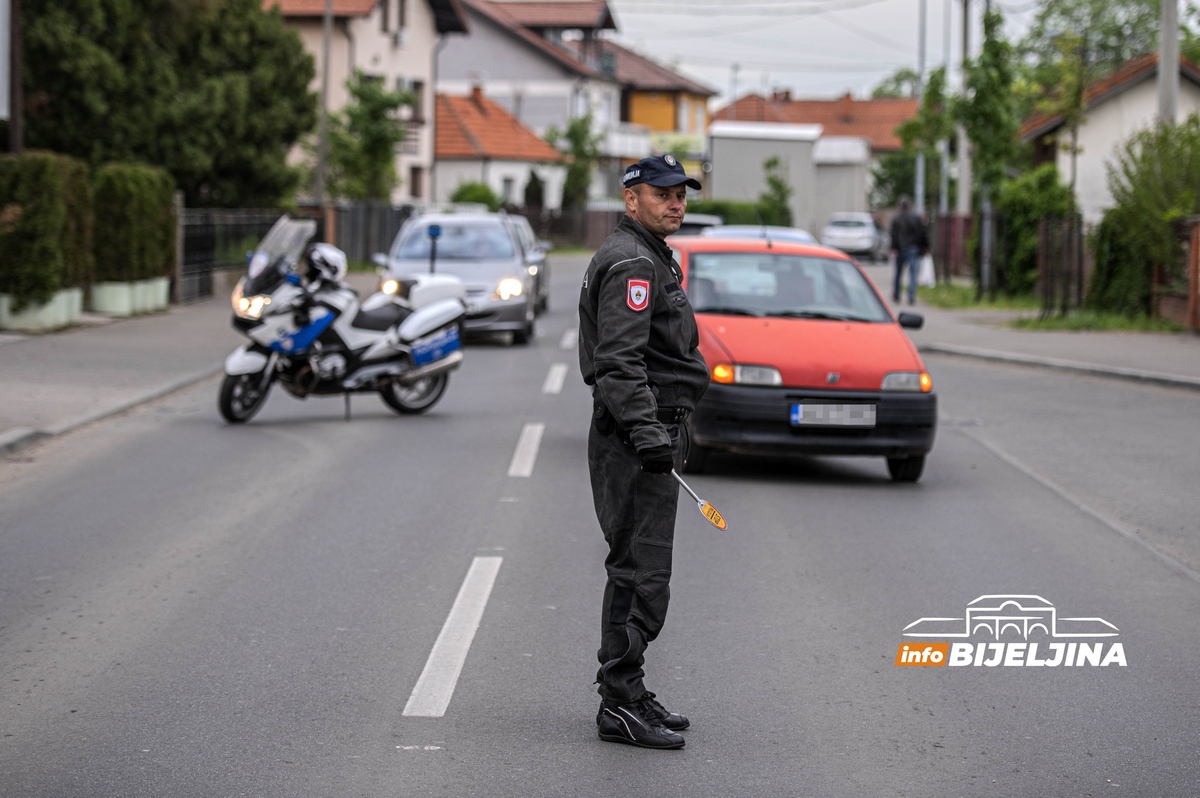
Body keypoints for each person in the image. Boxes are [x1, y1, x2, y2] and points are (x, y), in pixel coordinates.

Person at [578, 155, 710, 750]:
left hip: (648, 433)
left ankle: (628, 689)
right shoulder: (634, 262)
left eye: (681, 193)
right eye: (662, 194)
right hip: (636, 440)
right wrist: (651, 436)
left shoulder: (649, 255)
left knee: (640, 568)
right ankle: (619, 704)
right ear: (631, 199)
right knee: (639, 573)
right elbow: (619, 365)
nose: (675, 203)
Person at [889, 197, 929, 305]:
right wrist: (925, 247)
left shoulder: (896, 219)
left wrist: (893, 248)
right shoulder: (916, 218)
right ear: (910, 206)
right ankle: (911, 296)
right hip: (913, 249)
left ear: (900, 206)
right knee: (912, 273)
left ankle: (897, 294)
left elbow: (893, 235)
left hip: (900, 248)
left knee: (898, 273)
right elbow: (922, 233)